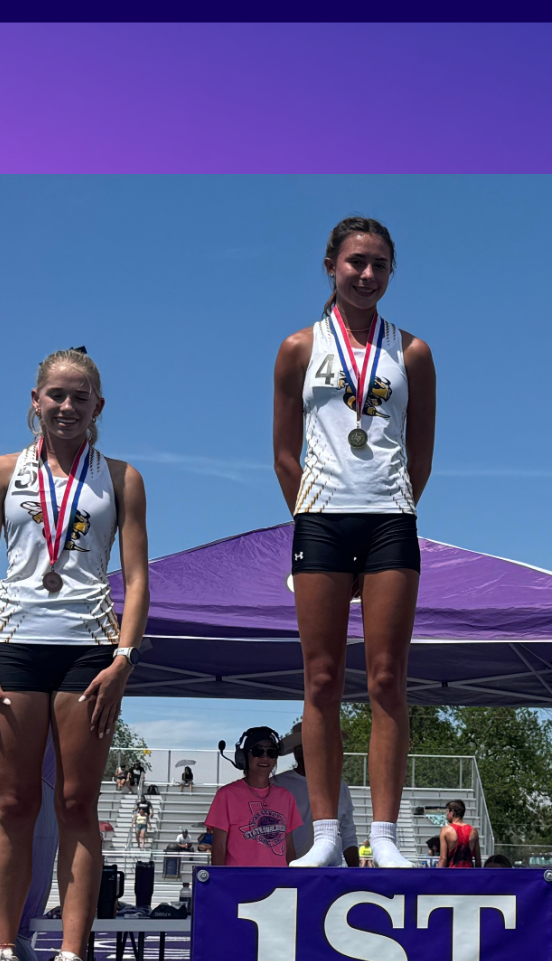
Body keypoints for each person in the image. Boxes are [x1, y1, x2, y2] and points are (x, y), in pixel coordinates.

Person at [0, 347, 149, 961]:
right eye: (55, 395)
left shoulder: (122, 479)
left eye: (80, 396)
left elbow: (138, 575)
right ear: (34, 399)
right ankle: (2, 950)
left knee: (76, 803)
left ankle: (71, 954)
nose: (66, 406)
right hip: (13, 645)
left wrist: (124, 657)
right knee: (13, 804)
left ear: (99, 406)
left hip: (87, 650)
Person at [273, 215, 436, 869]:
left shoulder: (413, 352)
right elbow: (285, 452)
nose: (366, 275)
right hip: (321, 519)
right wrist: (311, 511)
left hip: (390, 518)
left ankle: (387, 836)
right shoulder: (297, 347)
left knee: (388, 679)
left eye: (378, 265)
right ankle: (324, 836)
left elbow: (420, 452)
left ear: (391, 273)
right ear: (331, 266)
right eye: (355, 263)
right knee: (320, 679)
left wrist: (392, 502)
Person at [207, 726, 300, 866]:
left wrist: (292, 879)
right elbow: (219, 848)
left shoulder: (286, 797)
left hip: (278, 883)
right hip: (240, 882)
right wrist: (220, 883)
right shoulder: (226, 795)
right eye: (258, 751)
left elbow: (289, 848)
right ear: (243, 757)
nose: (265, 757)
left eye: (271, 752)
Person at [272, 717, 359, 865]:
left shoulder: (340, 786)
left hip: (329, 871)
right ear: (296, 751)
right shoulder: (277, 784)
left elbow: (348, 833)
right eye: (303, 746)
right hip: (289, 870)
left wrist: (356, 873)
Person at [439, 800, 478, 867]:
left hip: (452, 874)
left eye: (447, 811)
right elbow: (478, 860)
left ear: (452, 812)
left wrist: (436, 875)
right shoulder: (473, 831)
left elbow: (443, 859)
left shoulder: (446, 831)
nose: (446, 814)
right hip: (469, 874)